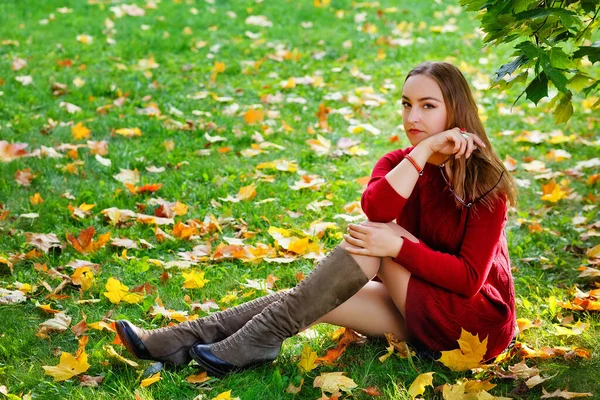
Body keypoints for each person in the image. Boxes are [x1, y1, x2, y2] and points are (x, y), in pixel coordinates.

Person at [116, 61, 517, 377]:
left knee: (374, 239)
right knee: (309, 301)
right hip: (418, 305)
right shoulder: (400, 163)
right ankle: (180, 341)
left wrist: (396, 246)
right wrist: (424, 151)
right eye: (406, 104)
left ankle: (242, 342)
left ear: (457, 111)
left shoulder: (487, 183)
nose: (413, 116)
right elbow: (377, 208)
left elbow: (467, 280)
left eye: (428, 106)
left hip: (472, 328)